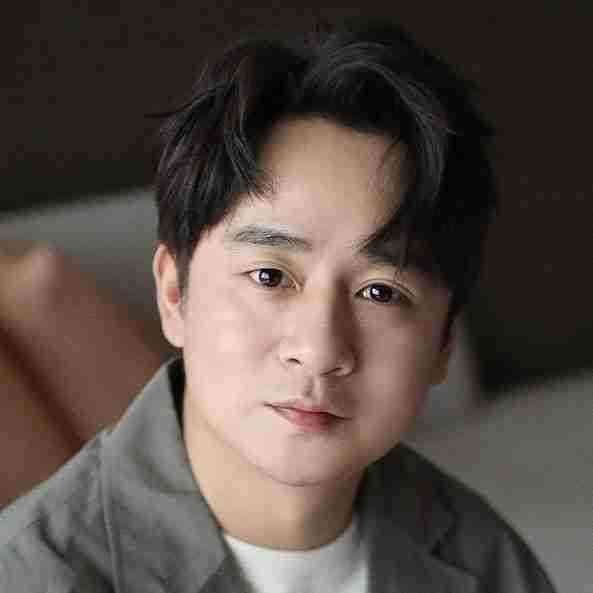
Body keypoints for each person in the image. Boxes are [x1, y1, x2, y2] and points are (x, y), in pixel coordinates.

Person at [0, 18, 556, 592]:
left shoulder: (488, 563)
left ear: (444, 343)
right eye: (269, 276)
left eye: (380, 292)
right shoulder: (35, 575)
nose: (319, 350)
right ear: (174, 294)